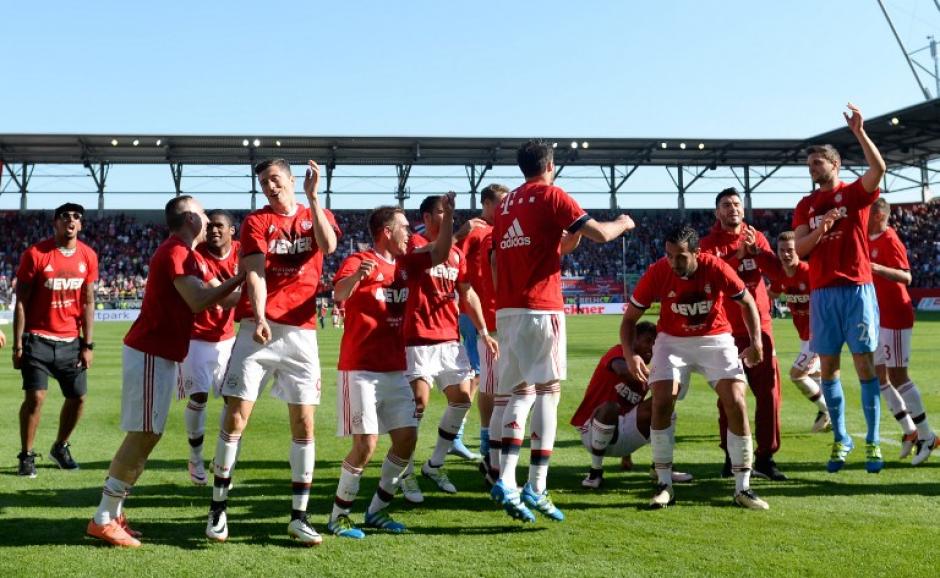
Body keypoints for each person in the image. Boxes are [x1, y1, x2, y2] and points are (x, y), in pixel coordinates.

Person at [490, 139, 635, 523]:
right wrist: (623, 222)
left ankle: (506, 478)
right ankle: (537, 486)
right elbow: (600, 235)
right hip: (541, 307)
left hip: (507, 310)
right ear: (550, 164)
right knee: (549, 394)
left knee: (519, 393)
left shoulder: (505, 205)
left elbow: (546, 248)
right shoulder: (552, 195)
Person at [87, 196, 244, 547]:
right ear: (190, 219)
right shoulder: (176, 252)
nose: (207, 220)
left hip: (160, 353)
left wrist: (248, 285)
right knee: (142, 433)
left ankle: (114, 513)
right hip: (150, 352)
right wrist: (242, 276)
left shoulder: (183, 253)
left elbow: (217, 297)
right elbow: (200, 300)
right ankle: (102, 516)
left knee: (149, 434)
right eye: (203, 214)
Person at [206, 159, 339, 546]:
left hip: (302, 335)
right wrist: (261, 315)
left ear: (292, 180)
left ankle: (299, 516)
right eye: (263, 182)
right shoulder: (255, 222)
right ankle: (218, 509)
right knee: (236, 417)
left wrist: (313, 199)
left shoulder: (317, 213)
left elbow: (327, 245)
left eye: (275, 179)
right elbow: (256, 272)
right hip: (257, 330)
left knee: (305, 424)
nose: (269, 186)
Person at [621, 224, 768, 510]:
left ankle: (743, 488)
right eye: (669, 255)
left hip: (715, 338)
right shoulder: (657, 272)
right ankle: (665, 484)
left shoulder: (716, 267)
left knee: (736, 401)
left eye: (681, 256)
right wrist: (630, 355)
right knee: (662, 400)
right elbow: (629, 321)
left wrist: (756, 341)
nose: (673, 262)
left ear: (698, 253)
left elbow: (747, 301)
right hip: (672, 341)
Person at [793, 103, 887, 473]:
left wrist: (859, 132)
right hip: (822, 294)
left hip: (856, 289)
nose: (813, 169)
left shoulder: (854, 195)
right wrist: (823, 227)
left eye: (818, 163)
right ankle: (841, 438)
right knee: (828, 367)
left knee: (864, 365)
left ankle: (874, 442)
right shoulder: (806, 205)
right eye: (810, 165)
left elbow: (878, 170)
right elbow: (800, 249)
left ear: (835, 165)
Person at [326, 206, 423, 539]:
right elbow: (338, 293)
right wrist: (357, 277)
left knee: (407, 439)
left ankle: (377, 511)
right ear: (386, 230)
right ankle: (338, 517)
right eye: (404, 228)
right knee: (365, 445)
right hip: (361, 369)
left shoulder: (407, 266)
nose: (409, 233)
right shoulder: (358, 260)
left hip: (395, 369)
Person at [398, 194, 498, 503]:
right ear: (427, 218)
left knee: (462, 399)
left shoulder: (457, 254)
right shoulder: (412, 242)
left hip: (449, 338)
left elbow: (468, 293)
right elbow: (433, 252)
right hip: (417, 337)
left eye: (450, 212)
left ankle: (435, 464)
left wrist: (483, 331)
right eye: (443, 212)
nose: (448, 216)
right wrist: (455, 231)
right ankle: (405, 473)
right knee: (417, 404)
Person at [700, 188, 785, 480]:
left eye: (737, 204)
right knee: (729, 397)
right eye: (726, 205)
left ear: (743, 209)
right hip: (724, 331)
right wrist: (739, 257)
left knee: (769, 394)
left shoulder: (756, 237)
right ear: (717, 213)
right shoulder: (708, 245)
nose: (732, 208)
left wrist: (758, 252)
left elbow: (779, 272)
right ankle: (732, 455)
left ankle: (765, 457)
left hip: (759, 329)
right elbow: (714, 278)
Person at [13, 203, 98, 477]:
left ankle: (60, 447)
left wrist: (88, 344)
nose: (71, 221)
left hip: (71, 342)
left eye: (76, 217)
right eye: (65, 217)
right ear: (55, 223)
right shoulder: (35, 254)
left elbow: (88, 301)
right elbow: (22, 302)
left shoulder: (89, 256)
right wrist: (18, 343)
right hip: (37, 338)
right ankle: (26, 455)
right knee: (36, 397)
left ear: (81, 225)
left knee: (79, 398)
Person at [571, 323, 692, 489]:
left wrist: (626, 456)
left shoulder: (646, 375)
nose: (651, 347)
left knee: (665, 407)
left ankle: (661, 467)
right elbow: (622, 370)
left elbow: (630, 411)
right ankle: (595, 471)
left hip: (621, 437)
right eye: (648, 341)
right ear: (633, 341)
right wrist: (658, 378)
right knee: (610, 407)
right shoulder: (618, 351)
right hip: (591, 430)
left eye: (655, 343)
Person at [868, 198, 937, 464]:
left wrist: (879, 269)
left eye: (870, 211)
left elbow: (907, 276)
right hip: (877, 315)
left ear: (880, 214)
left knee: (898, 376)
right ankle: (909, 431)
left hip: (896, 314)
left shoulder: (889, 239)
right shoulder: (867, 237)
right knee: (879, 376)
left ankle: (927, 436)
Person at [179, 210, 241, 485]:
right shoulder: (197, 255)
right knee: (199, 398)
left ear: (232, 231)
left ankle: (224, 456)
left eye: (220, 226)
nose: (214, 231)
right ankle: (195, 458)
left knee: (233, 399)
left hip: (227, 338)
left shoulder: (243, 252)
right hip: (196, 337)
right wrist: (249, 285)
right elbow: (225, 299)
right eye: (210, 226)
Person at [747, 231, 830, 433]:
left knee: (797, 375)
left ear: (798, 251)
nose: (785, 254)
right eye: (782, 250)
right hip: (804, 338)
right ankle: (827, 414)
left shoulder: (809, 272)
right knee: (817, 377)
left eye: (790, 250)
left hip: (818, 336)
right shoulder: (782, 276)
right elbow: (770, 294)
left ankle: (830, 412)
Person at [456, 183, 509, 484]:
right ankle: (482, 441)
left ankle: (476, 439)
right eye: (500, 202)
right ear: (486, 203)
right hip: (476, 314)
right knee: (482, 377)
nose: (504, 208)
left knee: (484, 377)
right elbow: (457, 267)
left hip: (493, 314)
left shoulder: (500, 231)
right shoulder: (476, 230)